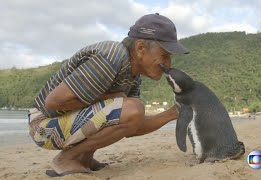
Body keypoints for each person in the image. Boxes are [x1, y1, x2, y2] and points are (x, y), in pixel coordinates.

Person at [28, 13, 189, 177]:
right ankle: (66, 158)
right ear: (140, 48)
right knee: (132, 106)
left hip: (61, 123)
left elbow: (131, 125)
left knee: (131, 107)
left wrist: (172, 113)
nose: (168, 64)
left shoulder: (133, 76)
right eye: (165, 55)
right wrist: (112, 98)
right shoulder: (112, 55)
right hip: (43, 126)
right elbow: (53, 102)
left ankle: (84, 157)